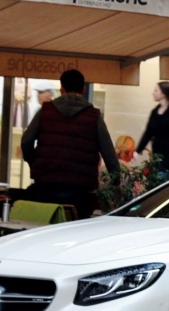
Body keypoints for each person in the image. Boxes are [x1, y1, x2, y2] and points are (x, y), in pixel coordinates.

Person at [20, 69, 119, 217]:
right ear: (84, 89)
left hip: (46, 185)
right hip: (80, 190)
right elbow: (109, 153)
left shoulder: (45, 111)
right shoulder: (94, 116)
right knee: (75, 231)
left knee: (45, 227)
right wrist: (116, 181)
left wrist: (34, 162)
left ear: (62, 89)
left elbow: (26, 141)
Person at [136, 81, 169, 173]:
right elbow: (148, 133)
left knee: (163, 177)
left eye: (156, 90)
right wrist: (138, 150)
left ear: (164, 93)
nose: (153, 93)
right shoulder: (155, 111)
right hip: (157, 153)